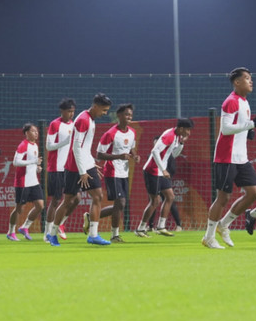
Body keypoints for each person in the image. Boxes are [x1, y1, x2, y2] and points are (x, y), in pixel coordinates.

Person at [202, 67, 256, 249]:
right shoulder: (231, 101)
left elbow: (238, 127)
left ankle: (224, 224)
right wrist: (251, 124)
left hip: (241, 157)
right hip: (226, 157)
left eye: (251, 78)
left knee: (253, 193)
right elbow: (226, 129)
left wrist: (248, 131)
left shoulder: (244, 102)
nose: (251, 81)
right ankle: (208, 237)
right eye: (247, 78)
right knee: (223, 197)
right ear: (237, 82)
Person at [46, 93, 113, 246]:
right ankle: (51, 233)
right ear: (95, 106)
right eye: (103, 110)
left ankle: (93, 235)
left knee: (97, 196)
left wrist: (90, 163)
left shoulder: (90, 118)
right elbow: (76, 147)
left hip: (84, 163)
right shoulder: (83, 120)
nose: (105, 113)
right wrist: (83, 171)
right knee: (68, 201)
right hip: (75, 167)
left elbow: (84, 147)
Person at [136, 118, 193, 238]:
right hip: (152, 170)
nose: (189, 133)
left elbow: (174, 155)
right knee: (155, 201)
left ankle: (161, 226)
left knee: (170, 196)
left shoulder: (177, 137)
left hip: (160, 172)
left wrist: (182, 143)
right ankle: (141, 228)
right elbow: (155, 151)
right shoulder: (169, 135)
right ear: (181, 128)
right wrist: (163, 169)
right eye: (187, 130)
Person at [94, 103, 140, 243]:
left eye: (131, 115)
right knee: (120, 202)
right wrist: (118, 157)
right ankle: (114, 235)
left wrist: (135, 156)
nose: (129, 117)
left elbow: (131, 148)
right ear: (119, 116)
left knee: (120, 205)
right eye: (126, 114)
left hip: (124, 172)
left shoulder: (132, 132)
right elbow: (99, 155)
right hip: (112, 171)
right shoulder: (110, 133)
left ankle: (91, 217)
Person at [43, 98, 78, 242]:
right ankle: (47, 233)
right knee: (56, 200)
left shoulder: (75, 125)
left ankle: (61, 223)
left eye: (73, 111)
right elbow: (49, 146)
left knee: (76, 198)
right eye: (69, 111)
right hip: (56, 167)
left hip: (69, 168)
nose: (71, 114)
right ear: (62, 111)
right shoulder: (55, 124)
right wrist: (65, 141)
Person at [6, 123, 45, 241]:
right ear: (27, 133)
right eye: (33, 131)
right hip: (22, 182)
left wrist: (37, 168)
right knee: (19, 209)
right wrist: (32, 162)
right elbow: (15, 162)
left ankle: (25, 227)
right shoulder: (23, 145)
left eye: (37, 131)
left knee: (40, 206)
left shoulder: (35, 146)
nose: (36, 133)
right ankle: (11, 232)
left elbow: (31, 163)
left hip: (34, 181)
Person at [147, 137, 183, 232]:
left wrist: (181, 144)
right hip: (154, 179)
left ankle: (178, 225)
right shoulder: (152, 154)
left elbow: (176, 153)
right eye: (154, 144)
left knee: (170, 199)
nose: (156, 146)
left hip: (164, 178)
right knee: (154, 201)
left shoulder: (168, 153)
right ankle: (149, 226)